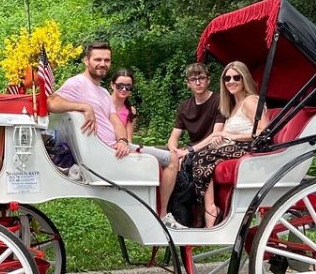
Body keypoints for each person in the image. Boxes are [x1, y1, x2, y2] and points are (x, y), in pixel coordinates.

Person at [49, 43, 179, 226]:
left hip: (115, 148)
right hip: (105, 155)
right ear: (86, 61)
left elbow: (116, 121)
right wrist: (83, 107)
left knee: (171, 157)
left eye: (106, 60)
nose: (102, 63)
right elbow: (51, 102)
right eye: (97, 59)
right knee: (172, 159)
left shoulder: (102, 92)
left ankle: (160, 213)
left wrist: (123, 140)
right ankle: (163, 215)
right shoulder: (77, 83)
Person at [190, 60, 269, 227]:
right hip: (234, 146)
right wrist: (221, 137)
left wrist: (230, 134)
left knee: (202, 157)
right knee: (195, 158)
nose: (231, 82)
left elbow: (264, 131)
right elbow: (228, 134)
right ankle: (199, 210)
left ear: (244, 79)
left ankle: (210, 208)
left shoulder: (250, 101)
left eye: (236, 77)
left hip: (251, 148)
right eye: (227, 79)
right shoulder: (233, 106)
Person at [164, 62, 225, 225]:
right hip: (191, 150)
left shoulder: (219, 101)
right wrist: (174, 152)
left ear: (208, 80)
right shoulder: (185, 106)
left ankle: (195, 215)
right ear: (188, 83)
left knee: (191, 161)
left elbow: (216, 134)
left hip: (212, 148)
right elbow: (173, 138)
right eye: (193, 79)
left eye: (201, 78)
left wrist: (189, 150)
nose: (198, 82)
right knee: (165, 158)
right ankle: (171, 213)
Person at [108, 68, 138, 144]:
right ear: (112, 85)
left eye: (128, 87)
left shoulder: (131, 111)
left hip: (120, 149)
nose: (124, 89)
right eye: (120, 86)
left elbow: (129, 139)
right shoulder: (103, 103)